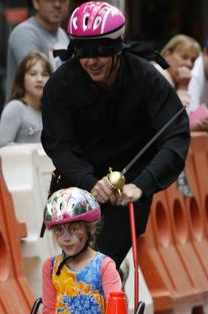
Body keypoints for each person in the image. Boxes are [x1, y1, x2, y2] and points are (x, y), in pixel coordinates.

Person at [41, 1, 190, 268]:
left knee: (102, 258)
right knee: (74, 261)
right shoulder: (60, 85)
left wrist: (142, 185)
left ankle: (111, 274)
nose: (91, 61)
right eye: (83, 53)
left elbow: (176, 136)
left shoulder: (147, 78)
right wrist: (89, 182)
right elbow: (59, 145)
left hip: (129, 184)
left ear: (117, 49)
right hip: (78, 179)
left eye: (100, 52)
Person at [5, 0, 69, 97]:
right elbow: (37, 84)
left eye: (62, 0)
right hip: (26, 111)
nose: (57, 4)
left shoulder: (62, 35)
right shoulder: (24, 33)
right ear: (36, 3)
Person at [0, 52, 51, 149]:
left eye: (44, 74)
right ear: (22, 78)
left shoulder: (51, 111)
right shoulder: (15, 108)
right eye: (33, 74)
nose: (39, 79)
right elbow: (2, 148)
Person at [156, 34, 201, 108]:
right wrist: (183, 87)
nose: (189, 64)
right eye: (184, 57)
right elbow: (176, 116)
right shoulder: (159, 74)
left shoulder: (176, 79)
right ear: (167, 55)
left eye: (193, 60)